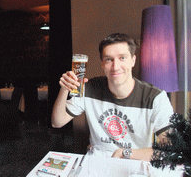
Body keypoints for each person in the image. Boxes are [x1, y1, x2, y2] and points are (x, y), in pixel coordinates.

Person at [51, 33, 174, 161]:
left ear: (133, 60)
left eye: (122, 58)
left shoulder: (155, 97)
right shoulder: (88, 88)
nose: (115, 67)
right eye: (109, 59)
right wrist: (64, 89)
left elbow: (172, 148)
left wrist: (124, 153)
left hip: (135, 165)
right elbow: (57, 122)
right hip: (96, 165)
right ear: (102, 64)